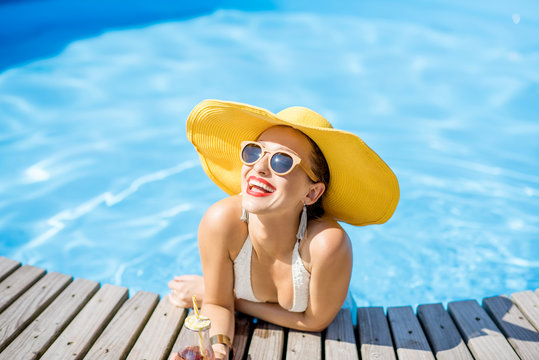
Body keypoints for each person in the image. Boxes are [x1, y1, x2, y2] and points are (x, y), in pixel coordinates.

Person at [168, 99, 399, 359]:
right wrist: (218, 353)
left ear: (312, 193)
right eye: (254, 152)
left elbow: (315, 322)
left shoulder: (326, 245)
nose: (259, 167)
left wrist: (221, 295)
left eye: (281, 162)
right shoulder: (220, 222)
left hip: (342, 333)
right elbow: (219, 305)